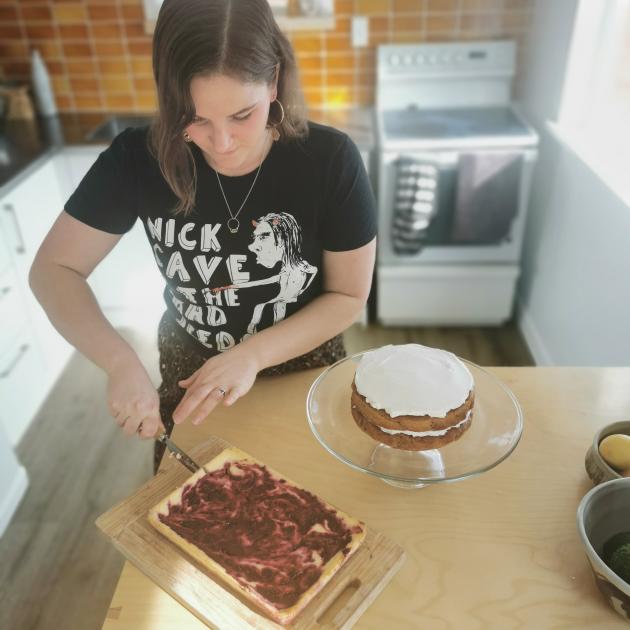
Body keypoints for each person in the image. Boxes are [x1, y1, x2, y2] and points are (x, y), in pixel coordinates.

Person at [29, 0, 377, 474]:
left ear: (273, 81)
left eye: (242, 115)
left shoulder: (329, 160)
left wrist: (251, 355)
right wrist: (119, 363)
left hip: (304, 370)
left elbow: (349, 296)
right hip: (190, 375)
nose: (222, 143)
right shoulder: (136, 159)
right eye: (193, 119)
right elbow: (53, 270)